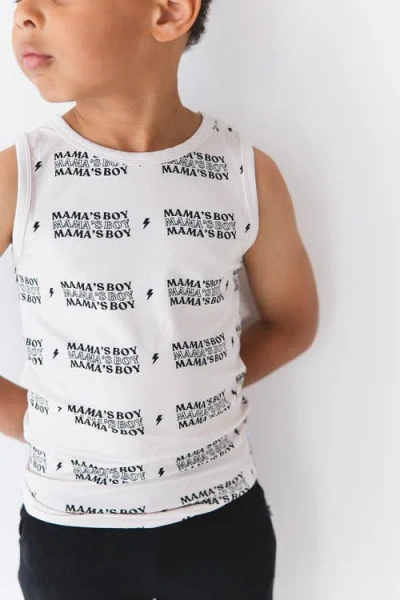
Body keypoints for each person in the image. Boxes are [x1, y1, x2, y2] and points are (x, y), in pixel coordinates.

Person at [0, 1, 319, 598]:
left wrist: (189, 391)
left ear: (169, 11)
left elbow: (291, 321)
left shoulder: (244, 174)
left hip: (222, 524)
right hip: (69, 531)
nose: (24, 14)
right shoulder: (21, 175)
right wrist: (49, 421)